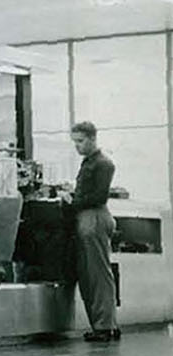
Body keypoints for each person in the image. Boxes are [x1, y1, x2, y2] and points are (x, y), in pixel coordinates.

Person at [64, 121, 119, 342]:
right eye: (75, 142)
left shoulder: (103, 164)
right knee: (90, 274)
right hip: (88, 218)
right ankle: (103, 325)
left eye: (80, 141)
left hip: (93, 217)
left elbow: (98, 197)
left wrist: (72, 200)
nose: (77, 146)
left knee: (97, 274)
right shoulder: (90, 163)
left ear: (92, 138)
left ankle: (105, 327)